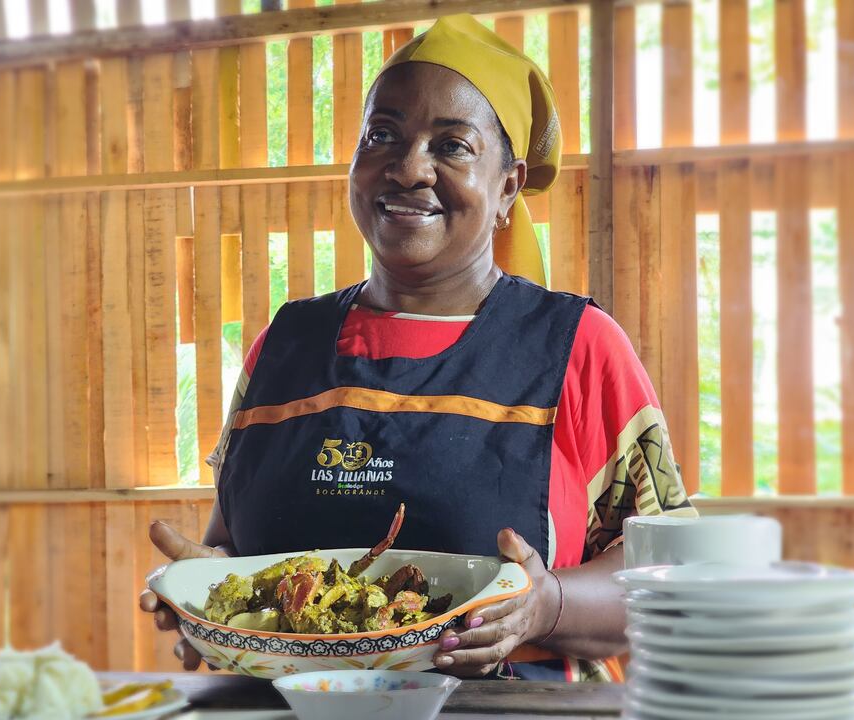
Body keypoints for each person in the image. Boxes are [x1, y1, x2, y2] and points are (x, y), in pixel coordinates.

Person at [138, 13, 695, 682]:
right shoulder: (281, 347)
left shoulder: (575, 347)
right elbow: (236, 550)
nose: (408, 169)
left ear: (509, 186)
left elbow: (672, 574)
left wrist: (547, 606)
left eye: (452, 145)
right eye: (383, 135)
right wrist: (208, 595)